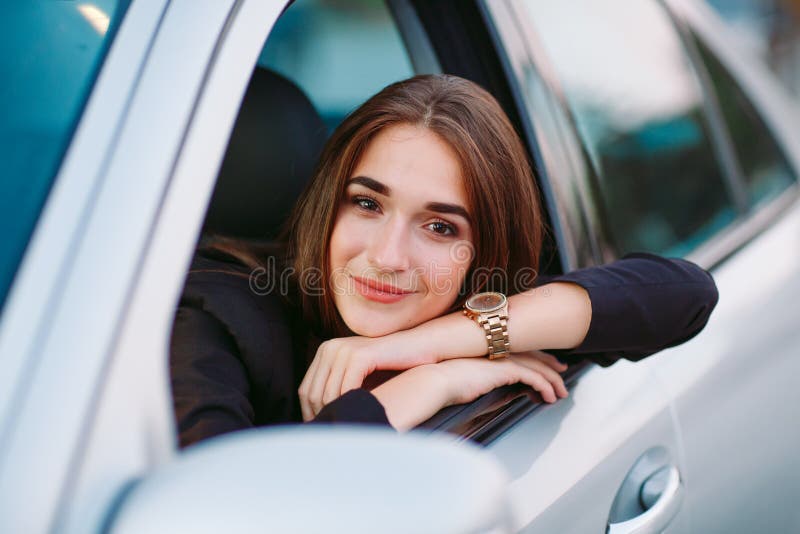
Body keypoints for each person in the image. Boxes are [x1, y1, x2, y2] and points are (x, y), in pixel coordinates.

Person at [170, 74, 719, 448]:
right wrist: (418, 391)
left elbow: (685, 294)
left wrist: (425, 346)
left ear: (481, 252)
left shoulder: (475, 314)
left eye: (439, 227)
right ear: (328, 202)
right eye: (367, 203)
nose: (388, 257)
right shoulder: (212, 314)